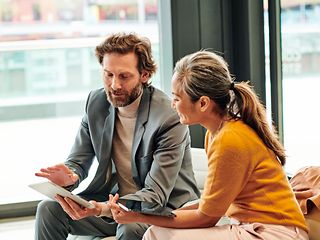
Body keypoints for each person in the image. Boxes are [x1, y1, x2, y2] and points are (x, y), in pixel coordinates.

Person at [108, 50, 309, 240]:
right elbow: (208, 206)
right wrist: (143, 215)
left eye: (177, 98)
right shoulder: (218, 133)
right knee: (157, 231)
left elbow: (207, 217)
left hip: (276, 233)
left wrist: (139, 217)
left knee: (157, 234)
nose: (172, 104)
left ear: (203, 103)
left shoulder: (230, 139)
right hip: (251, 226)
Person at [34, 32, 200, 240]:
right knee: (49, 209)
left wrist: (101, 208)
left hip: (164, 211)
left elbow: (155, 196)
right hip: (112, 206)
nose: (114, 85)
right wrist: (72, 176)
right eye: (108, 74)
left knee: (128, 228)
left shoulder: (168, 117)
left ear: (145, 75)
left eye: (124, 76)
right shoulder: (96, 102)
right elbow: (79, 160)